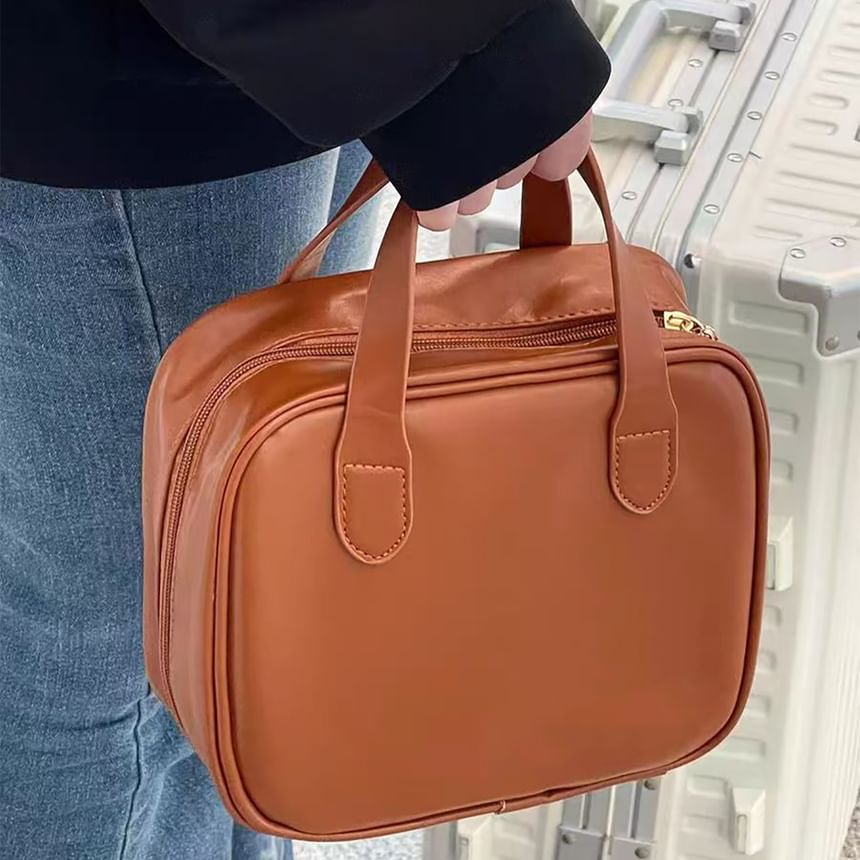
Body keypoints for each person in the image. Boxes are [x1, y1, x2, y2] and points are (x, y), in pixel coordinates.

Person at [0, 2, 608, 857]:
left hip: (303, 60)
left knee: (239, 598)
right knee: (125, 648)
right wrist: (480, 52)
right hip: (154, 74)